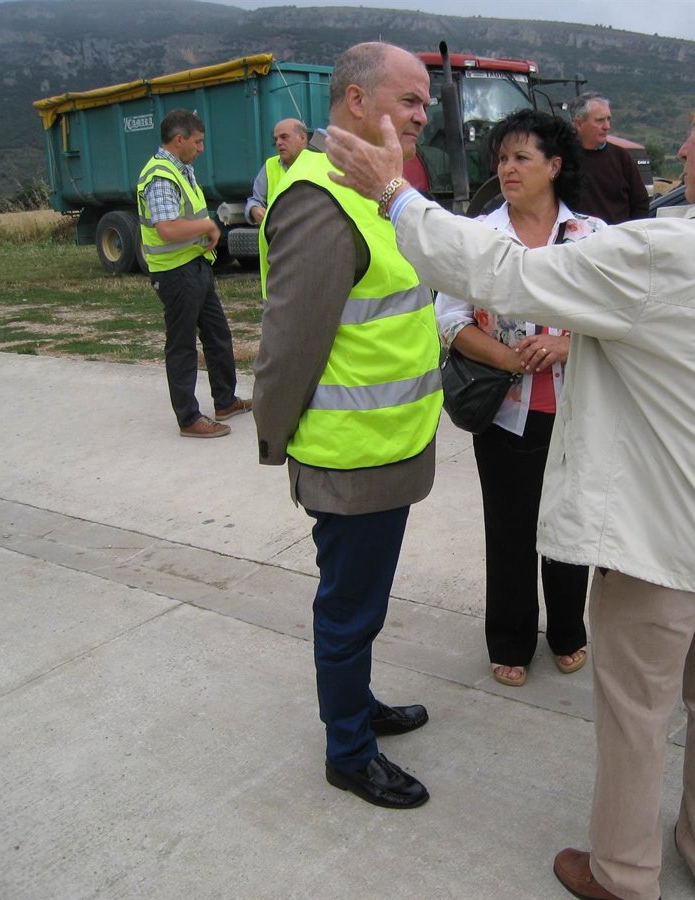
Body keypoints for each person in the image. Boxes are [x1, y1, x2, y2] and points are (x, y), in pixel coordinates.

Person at [326, 69, 695, 900]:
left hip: (658, 552)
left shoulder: (667, 253)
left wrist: (395, 194)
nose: (682, 143)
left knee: (637, 717)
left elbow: (502, 273)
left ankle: (623, 874)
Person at [252, 42, 439, 811]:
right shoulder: (318, 199)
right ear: (357, 102)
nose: (423, 115)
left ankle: (356, 703)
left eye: (425, 102)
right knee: (349, 610)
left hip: (391, 448)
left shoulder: (376, 190)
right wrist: (274, 439)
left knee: (365, 604)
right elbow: (289, 342)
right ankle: (349, 752)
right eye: (409, 100)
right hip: (350, 457)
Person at [436, 110, 603, 688]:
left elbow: (621, 319)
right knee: (509, 530)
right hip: (506, 415)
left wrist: (565, 346)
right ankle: (509, 639)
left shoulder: (592, 236)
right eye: (502, 158)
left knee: (569, 526)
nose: (507, 168)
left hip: (578, 412)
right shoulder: (479, 237)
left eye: (522, 157)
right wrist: (510, 360)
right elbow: (450, 321)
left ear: (554, 166)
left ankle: (568, 631)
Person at [136, 108, 250, 438]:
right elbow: (168, 228)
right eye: (197, 142)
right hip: (175, 272)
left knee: (217, 335)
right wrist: (207, 226)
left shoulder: (182, 170)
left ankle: (225, 401)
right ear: (178, 140)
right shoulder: (160, 176)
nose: (201, 148)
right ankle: (188, 418)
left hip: (196, 266)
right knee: (183, 345)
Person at [568, 92, 649, 224]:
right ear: (579, 124)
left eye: (608, 119)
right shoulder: (563, 159)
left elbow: (641, 203)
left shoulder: (621, 157)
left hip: (617, 235)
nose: (607, 127)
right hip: (576, 236)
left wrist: (629, 232)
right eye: (600, 120)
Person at [244, 118, 309, 226]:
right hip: (278, 234)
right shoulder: (270, 166)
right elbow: (256, 200)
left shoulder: (319, 164)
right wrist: (253, 209)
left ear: (302, 138)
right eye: (276, 139)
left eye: (284, 137)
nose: (278, 142)